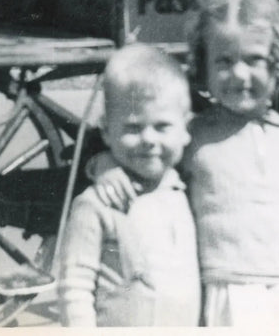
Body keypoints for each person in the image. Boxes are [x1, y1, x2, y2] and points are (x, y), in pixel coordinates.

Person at [94, 0, 279, 328]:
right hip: (226, 298)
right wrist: (106, 167)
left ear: (278, 63)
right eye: (224, 61)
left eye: (254, 59)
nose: (239, 74)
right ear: (204, 65)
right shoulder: (193, 136)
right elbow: (144, 165)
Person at [58, 45, 201, 327]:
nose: (148, 138)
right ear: (107, 132)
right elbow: (75, 287)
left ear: (186, 129)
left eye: (161, 126)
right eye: (133, 128)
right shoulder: (96, 204)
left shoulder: (186, 190)